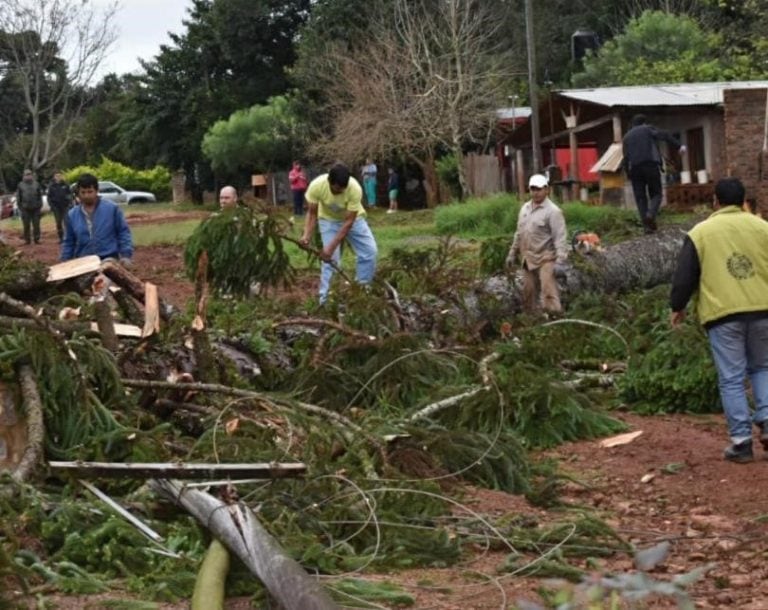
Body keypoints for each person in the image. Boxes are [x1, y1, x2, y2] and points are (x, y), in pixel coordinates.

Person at [670, 177, 768, 463]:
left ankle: (741, 441)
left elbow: (685, 275)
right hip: (763, 309)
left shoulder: (701, 233)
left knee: (732, 378)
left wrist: (678, 306)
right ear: (744, 201)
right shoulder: (763, 227)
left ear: (715, 201)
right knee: (763, 367)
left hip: (723, 315)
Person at [299, 162, 378, 303]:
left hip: (354, 220)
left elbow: (348, 222)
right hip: (328, 220)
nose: (339, 192)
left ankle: (361, 291)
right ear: (329, 181)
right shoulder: (316, 186)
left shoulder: (354, 189)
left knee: (369, 251)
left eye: (342, 190)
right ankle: (326, 300)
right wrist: (306, 236)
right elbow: (312, 214)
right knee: (330, 260)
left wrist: (330, 247)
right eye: (335, 190)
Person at [506, 174, 569, 313]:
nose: (535, 192)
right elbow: (519, 233)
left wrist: (560, 261)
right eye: (532, 189)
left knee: (548, 293)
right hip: (527, 258)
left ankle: (554, 319)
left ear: (546, 190)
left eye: (539, 189)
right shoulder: (525, 208)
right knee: (528, 292)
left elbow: (560, 237)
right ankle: (532, 320)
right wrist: (512, 253)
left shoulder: (553, 211)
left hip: (546, 258)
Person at [622, 114, 685, 234]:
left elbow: (625, 158)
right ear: (644, 123)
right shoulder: (648, 129)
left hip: (634, 169)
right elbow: (664, 135)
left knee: (640, 198)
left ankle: (647, 227)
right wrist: (679, 145)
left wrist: (628, 174)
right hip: (650, 166)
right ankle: (650, 214)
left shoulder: (626, 137)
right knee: (656, 193)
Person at [61, 173, 133, 265]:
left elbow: (123, 232)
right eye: (83, 192)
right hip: (84, 261)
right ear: (78, 193)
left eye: (90, 192)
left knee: (104, 277)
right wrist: (65, 260)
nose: (86, 196)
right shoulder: (72, 215)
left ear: (97, 191)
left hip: (108, 257)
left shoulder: (112, 209)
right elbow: (69, 241)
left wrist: (126, 255)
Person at [16, 169, 43, 244]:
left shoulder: (36, 184)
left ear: (32, 175)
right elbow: (18, 197)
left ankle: (37, 239)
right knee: (26, 225)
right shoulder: (20, 185)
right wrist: (20, 207)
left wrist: (39, 205)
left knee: (36, 225)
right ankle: (27, 240)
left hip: (36, 208)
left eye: (30, 174)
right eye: (27, 175)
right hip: (25, 208)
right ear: (24, 176)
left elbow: (40, 196)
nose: (28, 176)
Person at [47, 170, 73, 243]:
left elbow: (70, 194)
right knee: (58, 223)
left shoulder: (65, 184)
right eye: (57, 176)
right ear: (54, 177)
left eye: (60, 176)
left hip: (65, 206)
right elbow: (49, 197)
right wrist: (52, 205)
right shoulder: (51, 186)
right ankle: (61, 238)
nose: (58, 177)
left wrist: (69, 202)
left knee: (67, 222)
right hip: (56, 207)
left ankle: (68, 237)